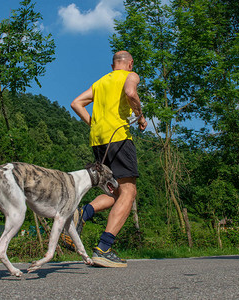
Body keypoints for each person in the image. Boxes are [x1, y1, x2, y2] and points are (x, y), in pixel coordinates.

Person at [68, 50, 147, 268]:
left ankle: (82, 213)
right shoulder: (130, 76)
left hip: (98, 141)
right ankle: (104, 247)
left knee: (115, 192)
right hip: (119, 138)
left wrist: (93, 123)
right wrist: (140, 116)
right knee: (129, 192)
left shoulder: (100, 82)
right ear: (130, 64)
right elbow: (131, 94)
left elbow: (76, 103)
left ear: (113, 65)